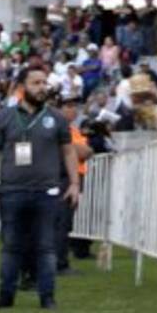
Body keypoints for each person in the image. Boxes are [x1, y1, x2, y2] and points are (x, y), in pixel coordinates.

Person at [0, 66, 79, 310]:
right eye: (35, 83)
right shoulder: (4, 116)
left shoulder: (56, 118)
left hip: (47, 192)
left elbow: (69, 151)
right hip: (11, 191)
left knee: (46, 247)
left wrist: (74, 183)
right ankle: (6, 296)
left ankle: (47, 297)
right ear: (21, 87)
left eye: (44, 82)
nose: (42, 87)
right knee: (11, 246)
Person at [54, 95, 92, 273]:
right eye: (68, 106)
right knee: (61, 222)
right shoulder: (59, 129)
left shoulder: (72, 130)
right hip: (64, 178)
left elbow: (86, 151)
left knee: (65, 222)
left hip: (72, 177)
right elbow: (82, 151)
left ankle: (59, 261)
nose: (73, 109)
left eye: (74, 106)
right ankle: (59, 263)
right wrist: (83, 150)